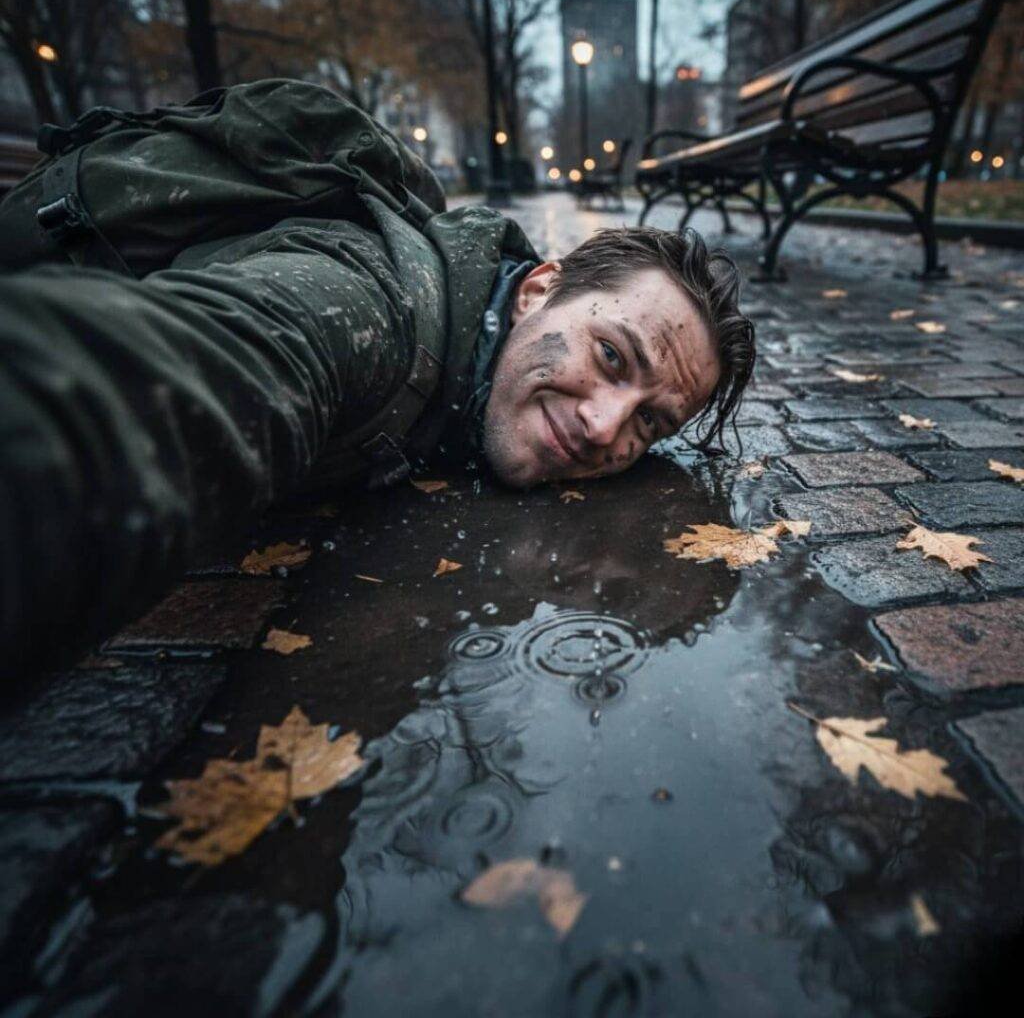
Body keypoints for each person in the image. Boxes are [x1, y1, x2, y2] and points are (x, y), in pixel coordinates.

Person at [0, 80, 755, 676]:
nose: (603, 426)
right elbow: (149, 394)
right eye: (613, 357)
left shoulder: (478, 355)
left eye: (650, 423)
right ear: (537, 289)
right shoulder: (370, 307)